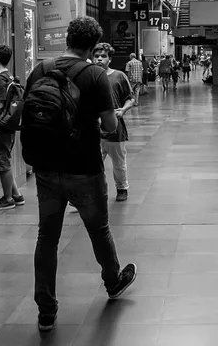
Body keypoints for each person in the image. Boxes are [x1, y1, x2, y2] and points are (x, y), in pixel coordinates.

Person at [23, 17, 136, 331]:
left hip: (45, 167)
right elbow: (110, 126)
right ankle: (112, 281)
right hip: (84, 167)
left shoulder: (41, 69)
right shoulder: (95, 75)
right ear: (91, 45)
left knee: (47, 237)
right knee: (98, 229)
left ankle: (46, 310)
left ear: (68, 39)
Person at [0, 44, 24, 211]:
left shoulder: (0, 79)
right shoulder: (8, 77)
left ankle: (7, 199)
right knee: (5, 160)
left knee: (2, 162)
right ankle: (16, 195)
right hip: (7, 127)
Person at [94, 43, 134, 202]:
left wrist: (123, 110)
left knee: (118, 162)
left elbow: (131, 99)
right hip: (93, 128)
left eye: (103, 56)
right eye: (96, 56)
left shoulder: (119, 76)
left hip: (115, 128)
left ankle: (122, 188)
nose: (99, 59)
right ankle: (93, 191)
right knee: (93, 164)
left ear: (109, 59)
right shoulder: (90, 76)